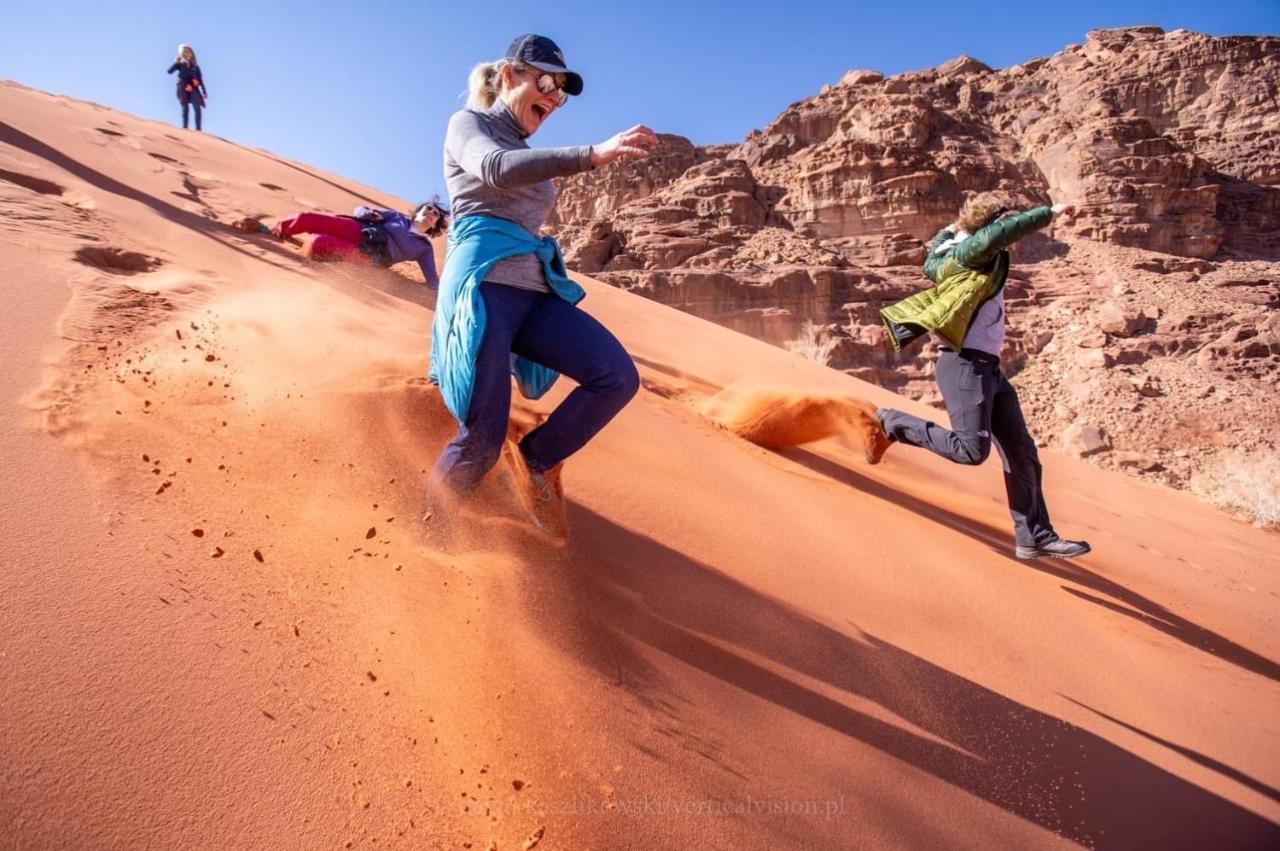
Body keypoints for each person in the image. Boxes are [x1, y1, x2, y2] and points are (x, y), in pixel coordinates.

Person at [426, 34, 658, 539]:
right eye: (546, 82)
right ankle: (426, 542)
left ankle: (531, 461)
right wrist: (593, 154)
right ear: (508, 75)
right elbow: (494, 168)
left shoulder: (526, 148)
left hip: (534, 295)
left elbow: (520, 166)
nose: (553, 98)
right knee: (481, 439)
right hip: (485, 288)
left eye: (562, 92)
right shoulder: (470, 126)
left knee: (615, 377)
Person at [872, 193, 1092, 561]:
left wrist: (953, 229)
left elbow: (945, 245)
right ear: (989, 226)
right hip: (964, 364)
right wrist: (1049, 213)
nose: (1011, 239)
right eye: (1004, 227)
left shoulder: (951, 251)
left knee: (1022, 452)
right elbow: (995, 236)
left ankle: (1034, 536)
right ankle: (891, 423)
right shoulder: (969, 254)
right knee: (971, 451)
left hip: (988, 368)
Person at [271, 202, 446, 286]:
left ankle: (317, 258)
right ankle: (276, 231)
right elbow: (359, 209)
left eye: (436, 214)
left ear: (435, 225)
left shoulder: (424, 248)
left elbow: (432, 279)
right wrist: (369, 214)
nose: (430, 213)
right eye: (428, 208)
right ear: (419, 211)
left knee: (319, 243)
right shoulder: (397, 217)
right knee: (306, 218)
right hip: (358, 229)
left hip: (370, 256)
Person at [167, 44, 207, 131]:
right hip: (182, 85)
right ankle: (185, 127)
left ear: (192, 54)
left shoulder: (196, 67)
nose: (187, 54)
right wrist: (175, 62)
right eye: (184, 52)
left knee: (197, 108)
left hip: (193, 87)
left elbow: (200, 79)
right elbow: (169, 71)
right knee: (185, 107)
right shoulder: (180, 64)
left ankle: (198, 129)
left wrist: (204, 91)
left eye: (188, 52)